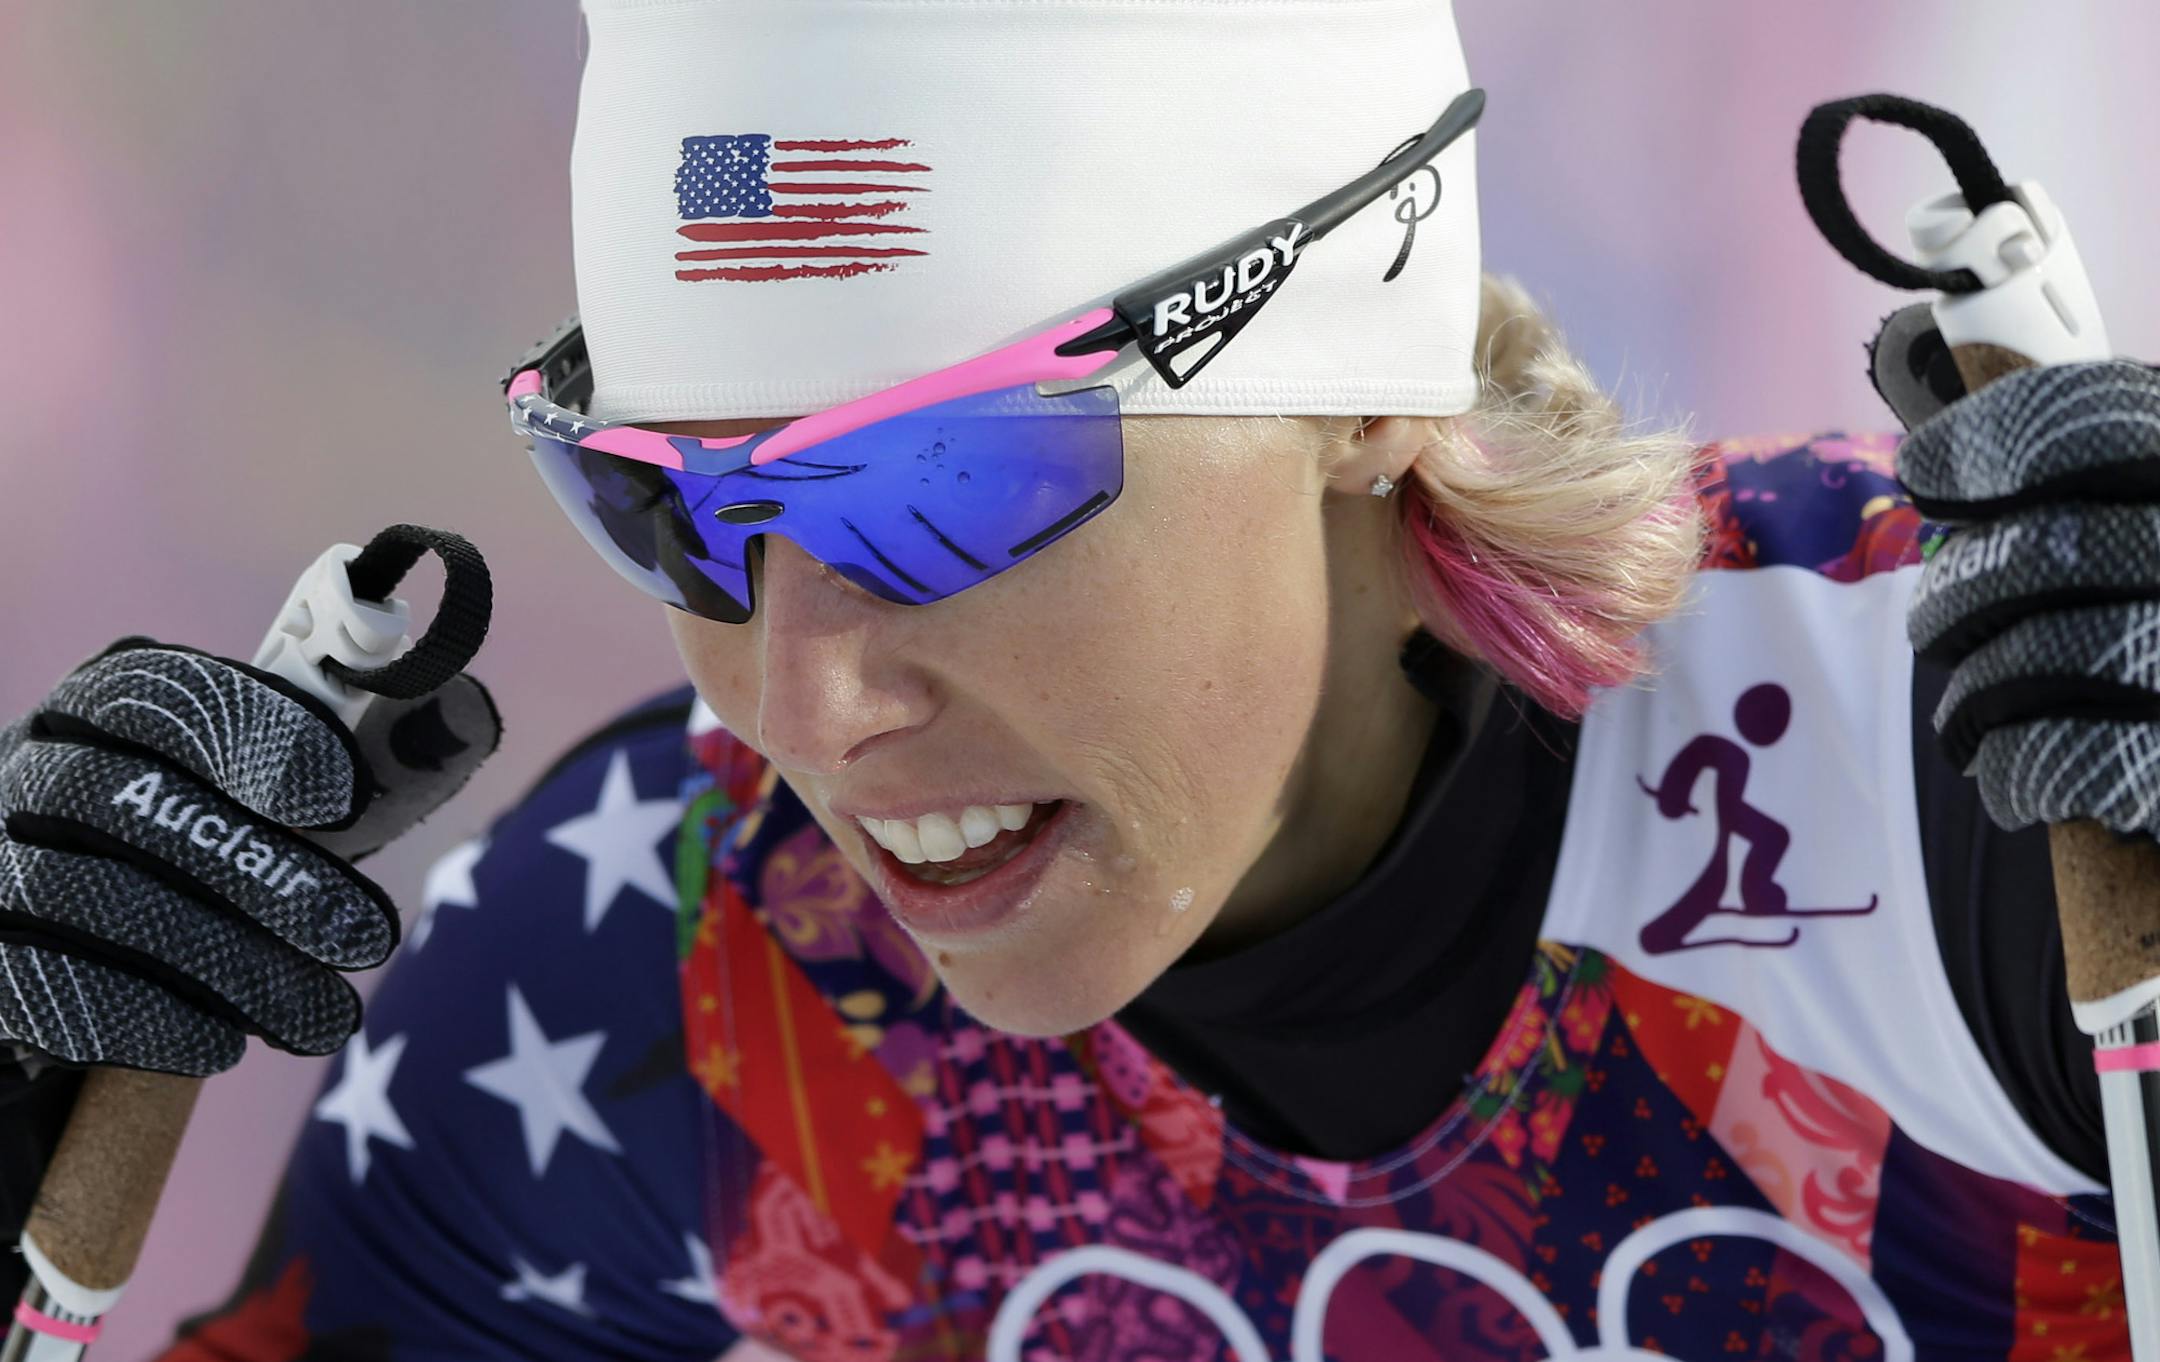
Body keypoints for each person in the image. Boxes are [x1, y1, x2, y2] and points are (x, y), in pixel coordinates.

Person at [1, 2, 2150, 1359]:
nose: (814, 702)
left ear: (1366, 389)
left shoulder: (1954, 757)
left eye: (946, 490)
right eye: (673, 510)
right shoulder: (652, 966)